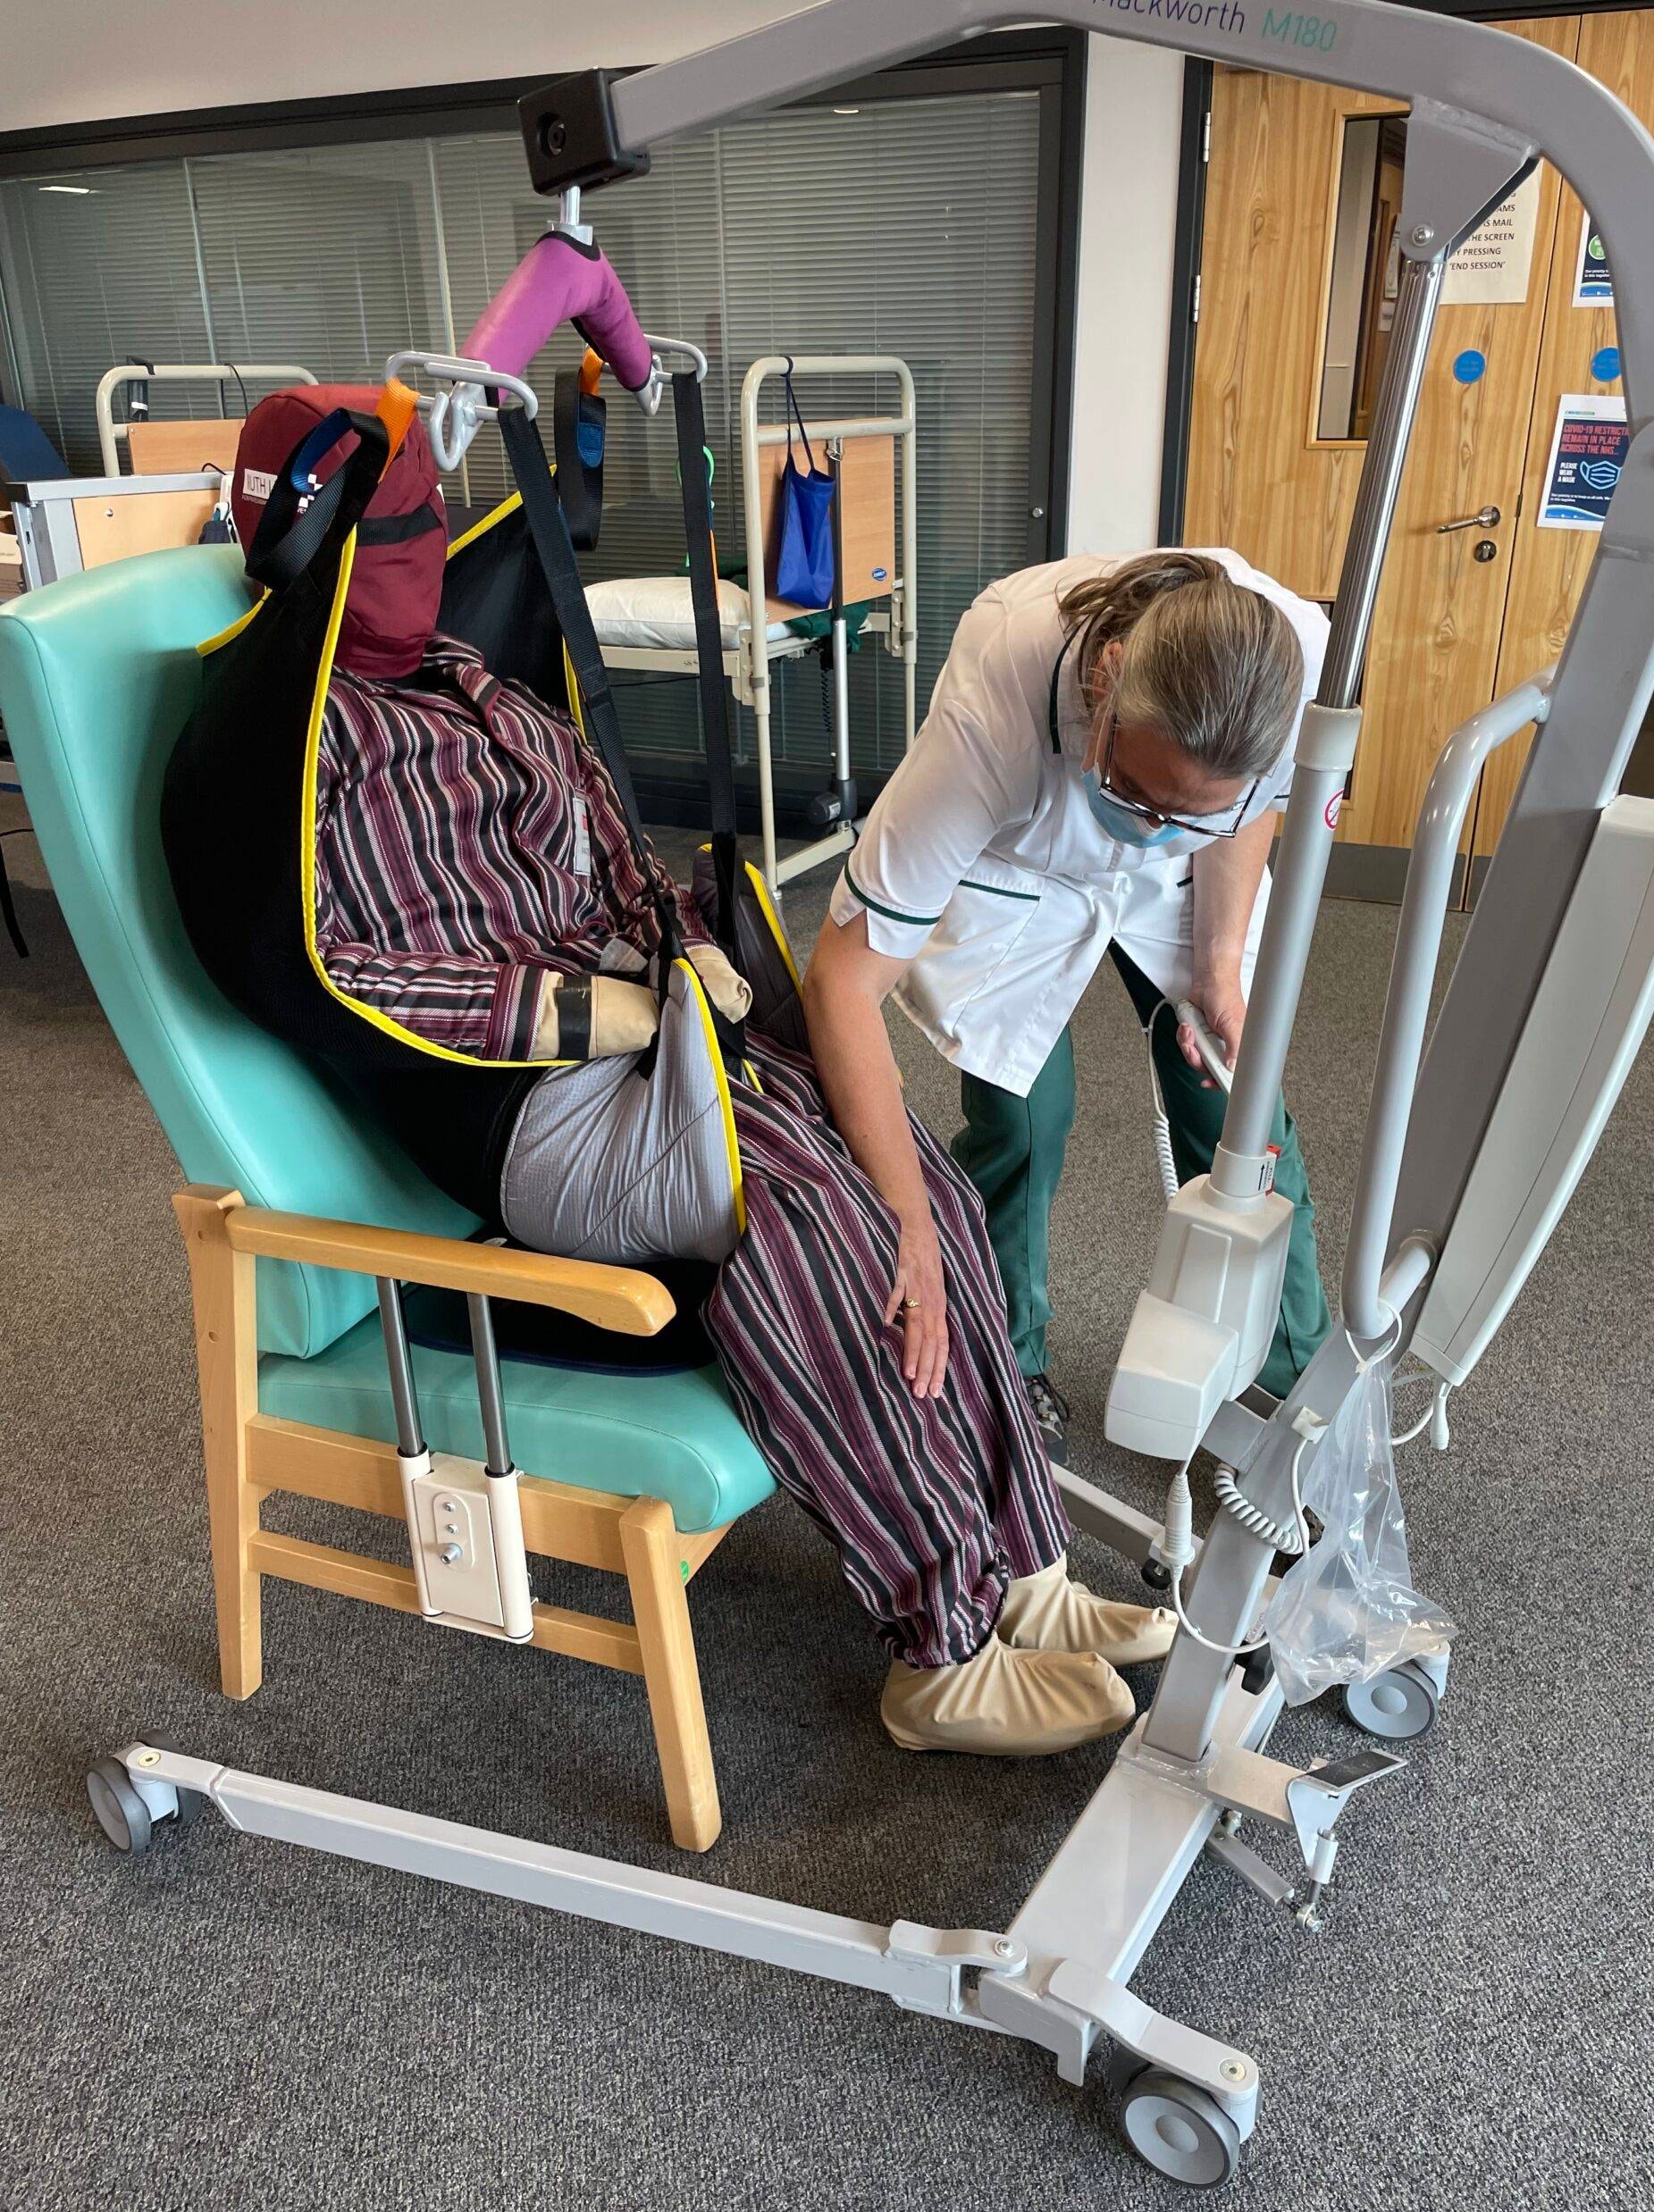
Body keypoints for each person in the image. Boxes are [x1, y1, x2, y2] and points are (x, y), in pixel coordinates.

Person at [232, 394, 1178, 1762]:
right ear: (308, 542)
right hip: (524, 1098)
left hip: (650, 1027)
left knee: (910, 1177)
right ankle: (941, 1651)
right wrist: (581, 1010)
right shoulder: (296, 755)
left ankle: (1023, 1567)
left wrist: (689, 945)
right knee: (808, 1225)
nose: (420, 556)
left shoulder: (477, 683)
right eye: (392, 532)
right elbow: (333, 974)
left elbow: (608, 856)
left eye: (430, 525)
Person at [802, 550, 1335, 1461]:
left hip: (1188, 875)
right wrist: (908, 1221)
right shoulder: (996, 701)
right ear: (1105, 681)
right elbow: (842, 981)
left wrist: (1217, 964)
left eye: (1186, 806)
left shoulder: (1300, 663)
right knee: (1022, 1117)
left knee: (1236, 1106)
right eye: (1141, 793)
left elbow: (1249, 805)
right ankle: (1006, 1357)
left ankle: (1298, 1392)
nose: (1154, 824)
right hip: (1022, 859)